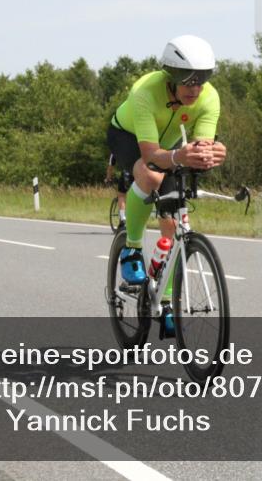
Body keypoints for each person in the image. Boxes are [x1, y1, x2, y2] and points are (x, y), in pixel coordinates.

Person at [107, 35, 228, 331]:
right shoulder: (145, 92)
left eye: (201, 80)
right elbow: (150, 156)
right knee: (150, 176)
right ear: (171, 76)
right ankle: (132, 248)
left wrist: (211, 153)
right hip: (129, 137)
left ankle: (166, 299)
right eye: (188, 81)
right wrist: (180, 155)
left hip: (170, 145)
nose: (195, 89)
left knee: (174, 221)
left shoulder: (209, 97)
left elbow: (201, 144)